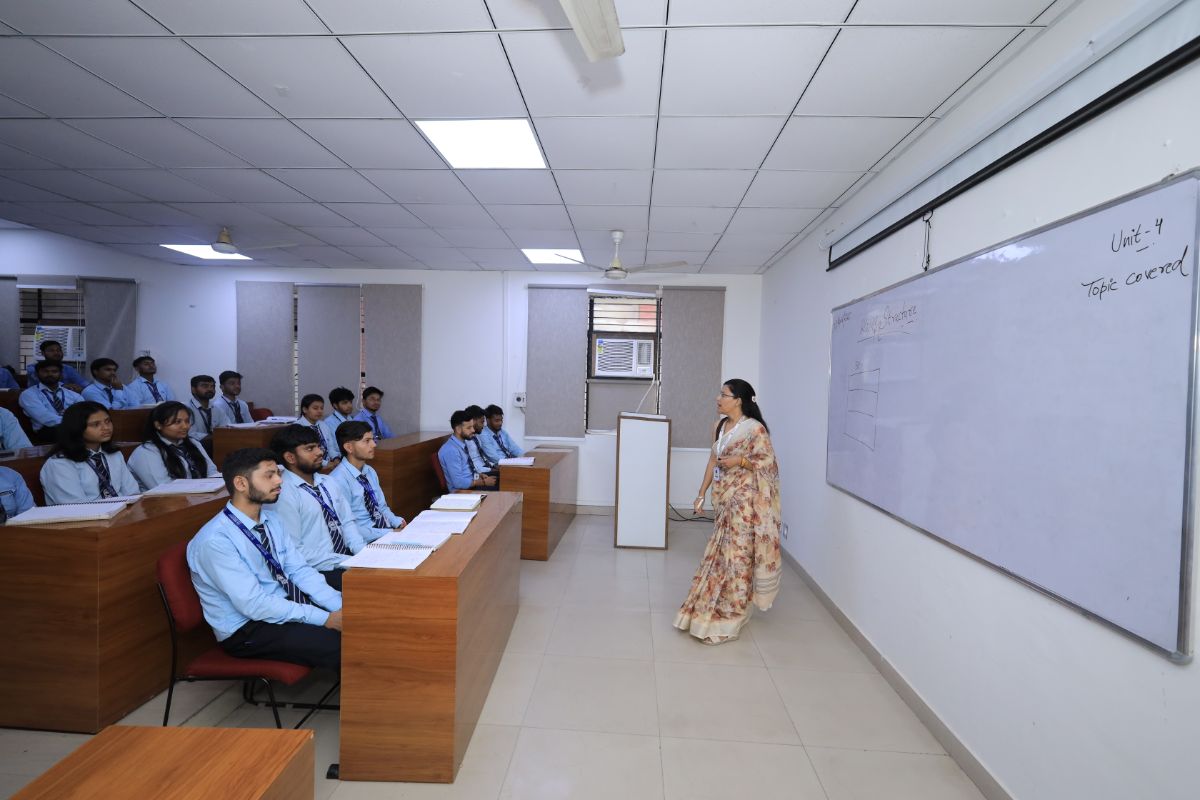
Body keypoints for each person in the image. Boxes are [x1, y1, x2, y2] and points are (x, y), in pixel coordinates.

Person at [187, 447, 342, 669]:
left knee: (361, 620)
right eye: (269, 475)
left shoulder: (271, 520)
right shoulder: (215, 541)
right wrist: (326, 618)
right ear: (241, 483)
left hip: (282, 604)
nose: (279, 481)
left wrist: (339, 606)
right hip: (247, 628)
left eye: (278, 473)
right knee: (344, 644)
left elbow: (299, 570)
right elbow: (254, 604)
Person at [675, 379, 782, 645]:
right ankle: (715, 608)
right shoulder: (719, 426)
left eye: (723, 395)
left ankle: (733, 617)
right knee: (722, 557)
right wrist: (701, 493)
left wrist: (741, 461)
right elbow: (713, 459)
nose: (718, 398)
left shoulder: (755, 429)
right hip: (724, 501)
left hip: (746, 504)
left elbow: (768, 464)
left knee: (738, 559)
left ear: (738, 400)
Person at [271, 425, 365, 591]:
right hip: (317, 568)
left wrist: (362, 553)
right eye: (310, 449)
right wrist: (346, 561)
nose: (320, 452)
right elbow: (295, 551)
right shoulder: (284, 494)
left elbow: (347, 522)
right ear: (290, 457)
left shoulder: (328, 481)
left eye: (318, 446)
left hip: (344, 558)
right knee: (372, 588)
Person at [39, 401, 140, 504]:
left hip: (123, 510)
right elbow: (75, 506)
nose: (106, 428)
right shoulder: (59, 464)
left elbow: (132, 492)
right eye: (96, 424)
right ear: (77, 428)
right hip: (86, 513)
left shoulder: (115, 454)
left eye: (108, 421)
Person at [328, 420, 404, 541]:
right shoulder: (337, 480)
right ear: (349, 447)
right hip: (365, 540)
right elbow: (348, 528)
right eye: (367, 441)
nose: (374, 445)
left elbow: (381, 507)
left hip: (383, 531)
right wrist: (389, 533)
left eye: (373, 439)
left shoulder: (369, 471)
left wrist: (398, 523)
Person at [128, 401, 219, 491]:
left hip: (200, 495)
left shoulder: (193, 442)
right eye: (177, 422)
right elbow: (163, 488)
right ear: (158, 425)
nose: (185, 426)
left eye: (187, 421)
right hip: (167, 499)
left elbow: (212, 472)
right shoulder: (146, 452)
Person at [19, 360, 85, 442]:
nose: (50, 374)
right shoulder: (29, 394)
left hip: (73, 427)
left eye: (54, 371)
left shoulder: (73, 395)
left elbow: (83, 414)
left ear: (61, 374)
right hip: (46, 431)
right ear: (37, 374)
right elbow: (45, 418)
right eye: (45, 371)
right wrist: (72, 422)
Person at [437, 410, 498, 491]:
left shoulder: (461, 444)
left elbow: (467, 472)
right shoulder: (451, 450)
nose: (473, 430)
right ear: (458, 429)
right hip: (462, 492)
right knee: (503, 486)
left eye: (472, 426)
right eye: (469, 428)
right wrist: (483, 482)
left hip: (471, 485)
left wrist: (479, 476)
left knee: (503, 480)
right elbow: (458, 483)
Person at [297, 394, 338, 467]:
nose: (319, 411)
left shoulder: (323, 425)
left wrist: (336, 458)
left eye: (321, 408)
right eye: (315, 408)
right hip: (310, 465)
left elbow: (330, 447)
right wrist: (326, 464)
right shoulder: (298, 427)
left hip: (328, 463)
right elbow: (306, 454)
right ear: (305, 409)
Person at [463, 405, 500, 479]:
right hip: (479, 474)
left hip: (484, 469)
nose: (483, 426)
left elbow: (481, 458)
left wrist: (493, 465)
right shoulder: (465, 440)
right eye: (482, 422)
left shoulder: (476, 436)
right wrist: (490, 470)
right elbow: (472, 465)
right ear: (473, 421)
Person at [320, 387, 355, 454]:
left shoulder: (351, 419)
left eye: (350, 402)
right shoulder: (328, 423)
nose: (349, 405)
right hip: (340, 456)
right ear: (335, 405)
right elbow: (334, 447)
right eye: (345, 403)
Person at [187, 374, 217, 446]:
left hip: (216, 446)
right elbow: (190, 434)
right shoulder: (185, 409)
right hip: (194, 448)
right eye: (205, 386)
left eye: (212, 386)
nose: (210, 389)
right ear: (193, 389)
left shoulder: (217, 409)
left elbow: (227, 428)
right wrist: (216, 436)